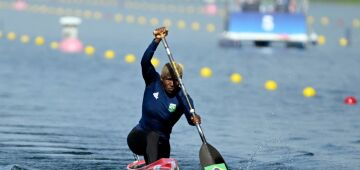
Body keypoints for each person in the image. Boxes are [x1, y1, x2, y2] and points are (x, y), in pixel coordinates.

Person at [127, 27, 201, 165]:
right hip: (138, 137)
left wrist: (194, 118)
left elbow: (191, 117)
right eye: (169, 79)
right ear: (162, 78)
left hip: (162, 143)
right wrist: (157, 40)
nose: (172, 83)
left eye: (176, 80)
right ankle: (152, 166)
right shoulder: (152, 81)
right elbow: (144, 62)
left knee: (161, 145)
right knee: (153, 136)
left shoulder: (183, 97)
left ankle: (153, 164)